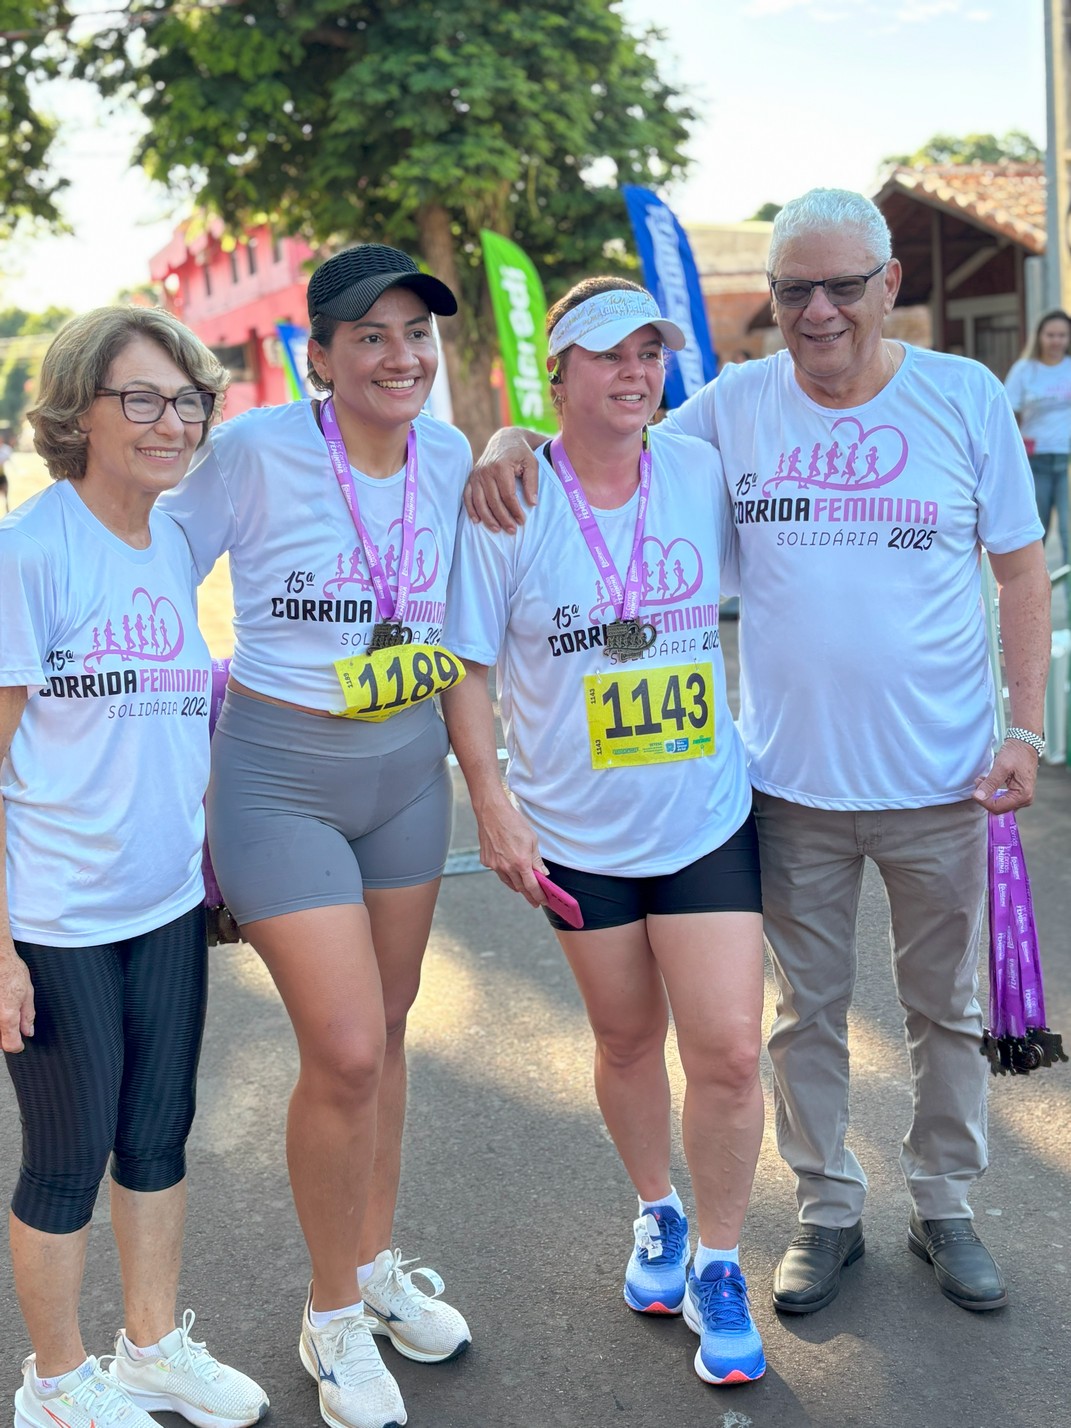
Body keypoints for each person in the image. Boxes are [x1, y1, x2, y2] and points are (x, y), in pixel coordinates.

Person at [465, 189, 1051, 1317]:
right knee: (800, 1019)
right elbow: (599, 442)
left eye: (842, 285)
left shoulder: (965, 398)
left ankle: (947, 1204)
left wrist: (1024, 730)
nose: (818, 310)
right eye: (794, 291)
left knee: (947, 1010)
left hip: (946, 781)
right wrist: (504, 439)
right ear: (773, 302)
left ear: (889, 285)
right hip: (782, 788)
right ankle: (828, 1212)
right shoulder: (732, 409)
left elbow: (1022, 571)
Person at [160, 244, 473, 1428]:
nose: (402, 357)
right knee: (342, 1050)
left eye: (418, 336)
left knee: (386, 1037)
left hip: (407, 771)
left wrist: (502, 448)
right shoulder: (257, 452)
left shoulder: (447, 457)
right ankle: (330, 1315)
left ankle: (375, 1264)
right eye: (374, 337)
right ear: (321, 355)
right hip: (280, 775)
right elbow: (151, 567)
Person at [442, 277, 767, 1387]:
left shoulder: (699, 468)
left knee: (726, 1048)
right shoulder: (509, 499)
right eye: (608, 356)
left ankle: (720, 1262)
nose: (636, 374)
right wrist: (491, 800)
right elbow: (470, 667)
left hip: (704, 819)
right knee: (628, 1040)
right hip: (576, 831)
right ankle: (659, 1212)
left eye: (649, 355)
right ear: (559, 374)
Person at [0, 307, 268, 1428]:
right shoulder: (29, 553)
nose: (175, 422)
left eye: (189, 398)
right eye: (143, 399)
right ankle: (56, 1385)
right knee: (67, 1157)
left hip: (161, 903)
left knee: (158, 1131)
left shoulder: (167, 540)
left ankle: (150, 1346)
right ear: (79, 411)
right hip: (54, 918)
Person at [1004, 309, 1071, 566]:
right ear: (1040, 336)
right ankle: (1036, 599)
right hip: (1035, 461)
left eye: (1062, 335)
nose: (1056, 341)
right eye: (1051, 335)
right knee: (1035, 536)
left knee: (1068, 535)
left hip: (1066, 460)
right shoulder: (1024, 370)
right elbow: (1008, 413)